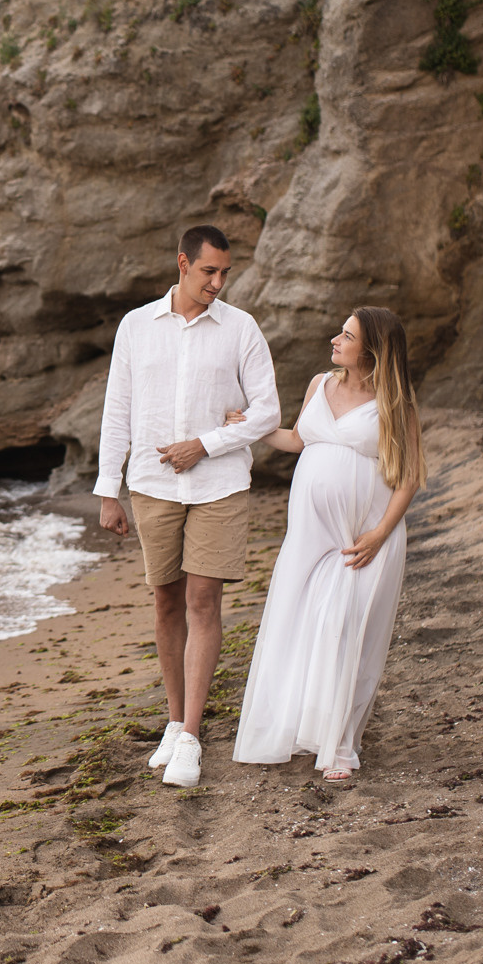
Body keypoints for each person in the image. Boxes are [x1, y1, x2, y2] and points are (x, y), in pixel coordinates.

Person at [95, 225, 280, 788]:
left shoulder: (242, 329)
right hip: (152, 485)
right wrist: (109, 487)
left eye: (225, 274)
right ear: (182, 263)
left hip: (219, 483)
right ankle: (174, 723)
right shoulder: (136, 327)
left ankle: (193, 737)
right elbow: (118, 409)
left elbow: (268, 412)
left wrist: (208, 443)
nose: (218, 283)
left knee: (204, 600)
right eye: (208, 272)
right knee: (166, 603)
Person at [229, 305, 426, 783]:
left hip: (362, 536)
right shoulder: (320, 383)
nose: (335, 340)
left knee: (348, 630)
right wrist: (248, 428)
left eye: (347, 335)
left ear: (372, 351)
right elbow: (299, 439)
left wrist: (380, 533)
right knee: (299, 622)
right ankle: (297, 727)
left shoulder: (393, 401)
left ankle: (340, 744)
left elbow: (409, 478)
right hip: (308, 535)